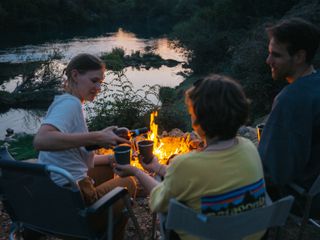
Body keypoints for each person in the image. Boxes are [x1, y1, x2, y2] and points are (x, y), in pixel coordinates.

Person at [115, 74, 266, 240]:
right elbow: (205, 175)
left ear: (198, 122)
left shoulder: (186, 164)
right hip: (250, 234)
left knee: (170, 210)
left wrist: (136, 172)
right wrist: (158, 168)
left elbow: (159, 202)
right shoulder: (249, 148)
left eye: (192, 113)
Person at [33, 53, 137, 239]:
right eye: (94, 80)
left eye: (101, 83)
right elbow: (41, 141)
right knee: (129, 182)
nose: (98, 87)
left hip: (54, 197)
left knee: (107, 168)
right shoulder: (71, 105)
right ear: (75, 75)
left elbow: (73, 155)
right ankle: (107, 230)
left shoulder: (64, 101)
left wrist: (109, 157)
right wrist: (96, 136)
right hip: (75, 206)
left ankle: (107, 224)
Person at [258, 18, 320, 217]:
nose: (268, 61)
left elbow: (272, 172)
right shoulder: (315, 85)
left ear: (299, 56)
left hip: (298, 199)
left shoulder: (291, 100)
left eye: (276, 55)